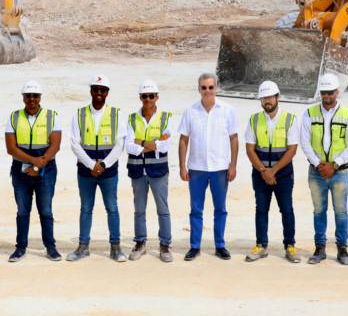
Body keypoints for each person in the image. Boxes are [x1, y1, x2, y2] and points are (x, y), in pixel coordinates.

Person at [178, 72, 239, 261]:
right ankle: (194, 246)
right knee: (196, 209)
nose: (207, 90)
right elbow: (183, 139)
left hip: (220, 168)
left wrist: (233, 165)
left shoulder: (227, 109)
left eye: (210, 87)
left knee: (220, 209)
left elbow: (234, 138)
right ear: (199, 89)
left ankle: (220, 245)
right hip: (196, 169)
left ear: (216, 88)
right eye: (204, 87)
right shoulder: (190, 111)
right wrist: (182, 166)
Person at [301, 73, 348, 266]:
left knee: (341, 211)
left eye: (329, 92)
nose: (326, 96)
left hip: (339, 172)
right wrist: (319, 164)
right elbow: (305, 142)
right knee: (319, 211)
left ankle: (342, 249)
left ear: (337, 92)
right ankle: (320, 249)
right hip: (316, 171)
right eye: (323, 92)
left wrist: (333, 165)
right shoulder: (309, 114)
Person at [68, 73, 126, 262]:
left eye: (102, 90)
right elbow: (74, 143)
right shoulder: (80, 114)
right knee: (86, 209)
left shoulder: (116, 114)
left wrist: (104, 164)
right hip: (86, 171)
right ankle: (83, 247)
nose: (99, 93)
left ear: (107, 93)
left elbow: (120, 144)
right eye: (96, 90)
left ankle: (115, 247)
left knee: (112, 209)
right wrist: (92, 164)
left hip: (108, 172)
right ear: (91, 91)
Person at [5, 81, 62, 262]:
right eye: (28, 96)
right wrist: (32, 162)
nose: (32, 99)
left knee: (45, 211)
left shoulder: (52, 116)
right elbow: (11, 148)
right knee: (22, 212)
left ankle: (50, 247)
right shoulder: (14, 117)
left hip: (45, 172)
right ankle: (20, 247)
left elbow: (55, 145)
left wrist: (37, 166)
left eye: (35, 96)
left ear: (40, 98)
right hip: (21, 173)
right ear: (23, 98)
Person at [244, 81, 299, 263]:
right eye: (264, 98)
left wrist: (273, 171)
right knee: (261, 210)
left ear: (278, 97)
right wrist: (264, 171)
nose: (267, 101)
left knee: (287, 210)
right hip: (260, 175)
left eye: (270, 97)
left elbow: (292, 150)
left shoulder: (290, 119)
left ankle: (290, 246)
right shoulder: (254, 119)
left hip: (282, 175)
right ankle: (261, 245)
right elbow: (250, 149)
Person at [125, 80, 173, 262]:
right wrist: (153, 144)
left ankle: (165, 245)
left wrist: (140, 142)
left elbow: (165, 145)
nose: (148, 99)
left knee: (163, 210)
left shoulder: (166, 118)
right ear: (140, 97)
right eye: (144, 96)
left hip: (158, 171)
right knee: (139, 210)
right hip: (138, 171)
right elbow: (128, 146)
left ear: (157, 97)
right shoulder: (130, 119)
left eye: (151, 96)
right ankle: (140, 243)